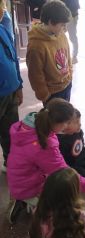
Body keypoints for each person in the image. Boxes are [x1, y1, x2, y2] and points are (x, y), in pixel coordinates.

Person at [7, 98, 85, 224]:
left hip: (17, 178)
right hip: (26, 185)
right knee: (62, 199)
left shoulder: (30, 124)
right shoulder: (43, 145)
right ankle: (33, 205)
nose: (66, 126)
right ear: (58, 123)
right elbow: (64, 171)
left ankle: (22, 199)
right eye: (66, 123)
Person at [26, 0, 72, 104]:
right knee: (56, 120)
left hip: (67, 85)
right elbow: (35, 75)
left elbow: (68, 56)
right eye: (62, 25)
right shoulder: (36, 46)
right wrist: (45, 95)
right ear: (51, 22)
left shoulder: (61, 34)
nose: (65, 29)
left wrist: (70, 75)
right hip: (52, 94)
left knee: (66, 117)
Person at [0, 21, 23, 173]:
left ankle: (11, 161)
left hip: (11, 90)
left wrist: (19, 85)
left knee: (11, 130)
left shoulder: (2, 28)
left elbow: (14, 57)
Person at [57, 108, 85, 182]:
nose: (80, 124)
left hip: (83, 159)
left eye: (80, 121)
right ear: (66, 125)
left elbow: (82, 145)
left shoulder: (78, 131)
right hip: (74, 165)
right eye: (76, 122)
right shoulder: (61, 141)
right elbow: (64, 162)